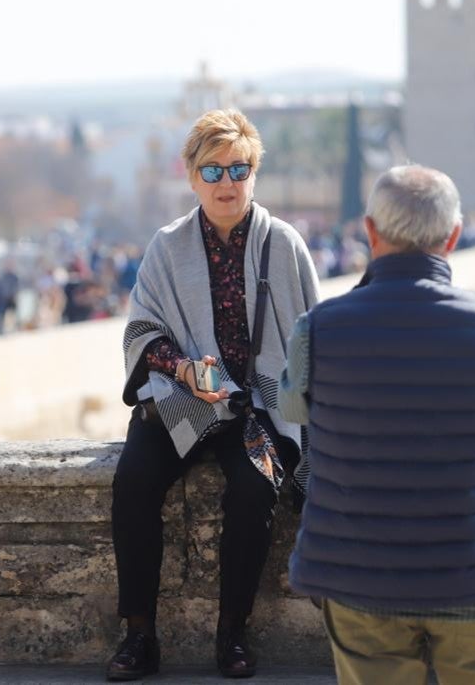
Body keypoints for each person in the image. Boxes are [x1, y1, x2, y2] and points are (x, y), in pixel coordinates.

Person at [280, 165, 475, 685]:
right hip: (471, 571)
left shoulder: (321, 329)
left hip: (358, 575)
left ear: (370, 231)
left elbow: (294, 406)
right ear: (453, 234)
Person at [110, 108, 320, 681]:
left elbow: (309, 340)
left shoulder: (284, 245)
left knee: (256, 489)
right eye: (213, 171)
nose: (226, 183)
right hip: (180, 401)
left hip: (255, 407)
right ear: (191, 176)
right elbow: (140, 331)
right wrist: (182, 369)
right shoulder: (166, 246)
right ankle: (138, 636)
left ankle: (232, 634)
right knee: (132, 482)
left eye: (238, 169)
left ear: (254, 173)